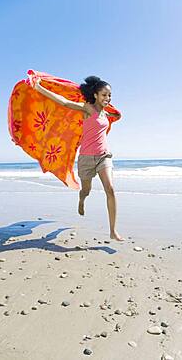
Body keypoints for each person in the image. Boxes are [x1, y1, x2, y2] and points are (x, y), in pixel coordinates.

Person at [34, 76, 124, 242]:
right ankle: (82, 200)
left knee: (110, 189)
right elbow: (65, 102)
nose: (108, 98)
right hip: (86, 159)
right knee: (86, 190)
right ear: (95, 95)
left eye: (110, 95)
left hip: (104, 156)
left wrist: (116, 114)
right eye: (104, 95)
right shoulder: (87, 109)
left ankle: (113, 230)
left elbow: (116, 116)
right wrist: (40, 89)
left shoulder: (106, 112)